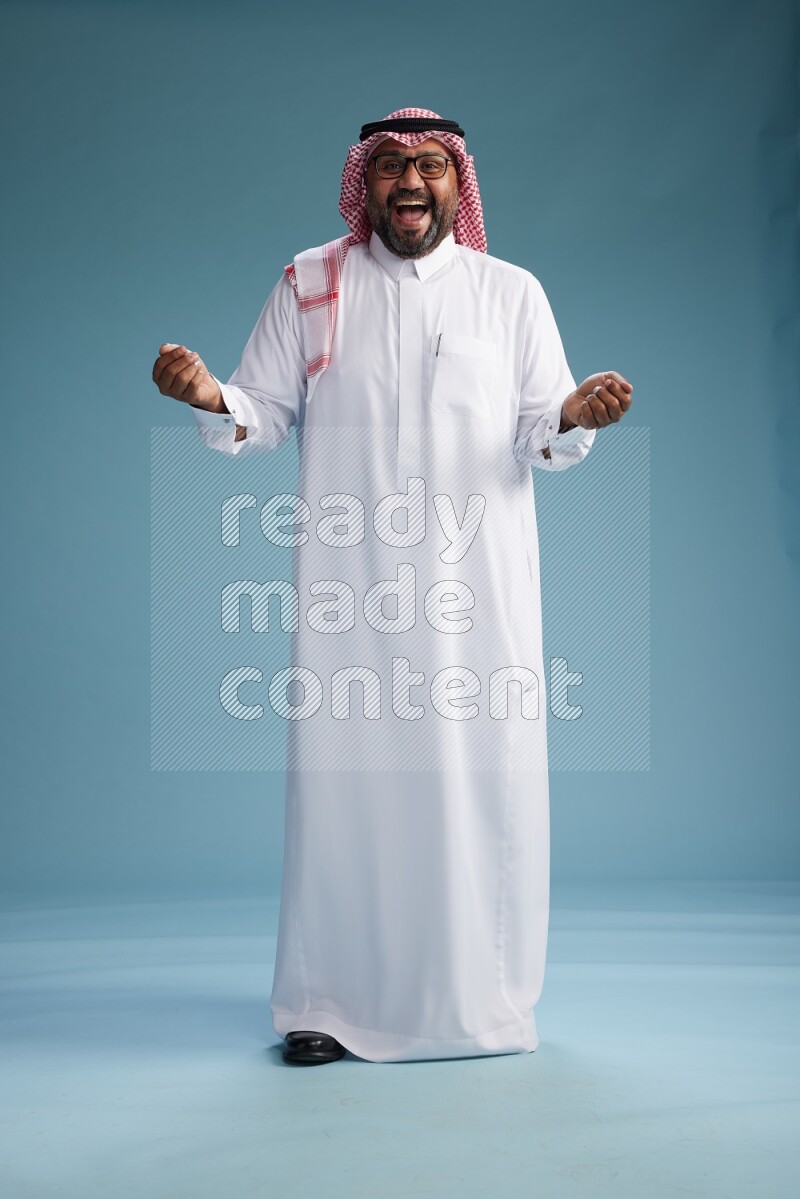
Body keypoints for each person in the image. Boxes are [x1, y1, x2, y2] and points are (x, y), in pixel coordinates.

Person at [151, 107, 633, 1067]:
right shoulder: (312, 281)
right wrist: (210, 396)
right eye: (389, 168)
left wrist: (575, 411)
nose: (409, 183)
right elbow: (264, 404)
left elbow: (543, 425)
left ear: (460, 182)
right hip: (351, 597)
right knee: (348, 794)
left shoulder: (510, 293)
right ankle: (326, 1004)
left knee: (473, 790)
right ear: (362, 182)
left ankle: (481, 1006)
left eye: (428, 166)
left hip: (477, 602)